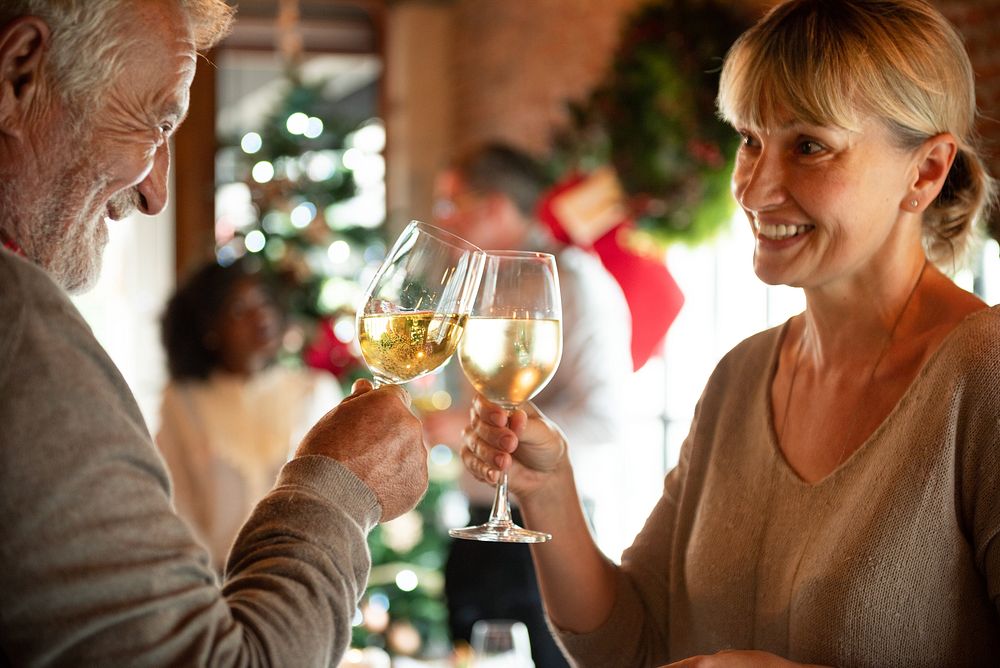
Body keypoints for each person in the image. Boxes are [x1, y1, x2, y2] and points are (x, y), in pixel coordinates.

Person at [460, 0, 1000, 665]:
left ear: (925, 171)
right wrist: (547, 489)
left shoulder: (985, 371)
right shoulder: (740, 377)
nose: (756, 186)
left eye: (809, 145)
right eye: (749, 140)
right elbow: (632, 645)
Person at [0, 1, 428, 665]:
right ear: (18, 73)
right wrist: (338, 492)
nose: (156, 194)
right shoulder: (18, 330)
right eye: (154, 121)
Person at [427, 142, 634, 667]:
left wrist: (490, 432)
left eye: (451, 205)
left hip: (549, 532)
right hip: (478, 526)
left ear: (494, 208)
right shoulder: (473, 287)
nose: (441, 221)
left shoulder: (575, 285)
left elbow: (604, 423)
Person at [156, 258, 343, 572]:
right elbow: (177, 503)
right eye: (239, 309)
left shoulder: (316, 392)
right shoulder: (182, 402)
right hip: (215, 588)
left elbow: (338, 503)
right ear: (209, 327)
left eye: (263, 301)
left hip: (304, 578)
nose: (261, 316)